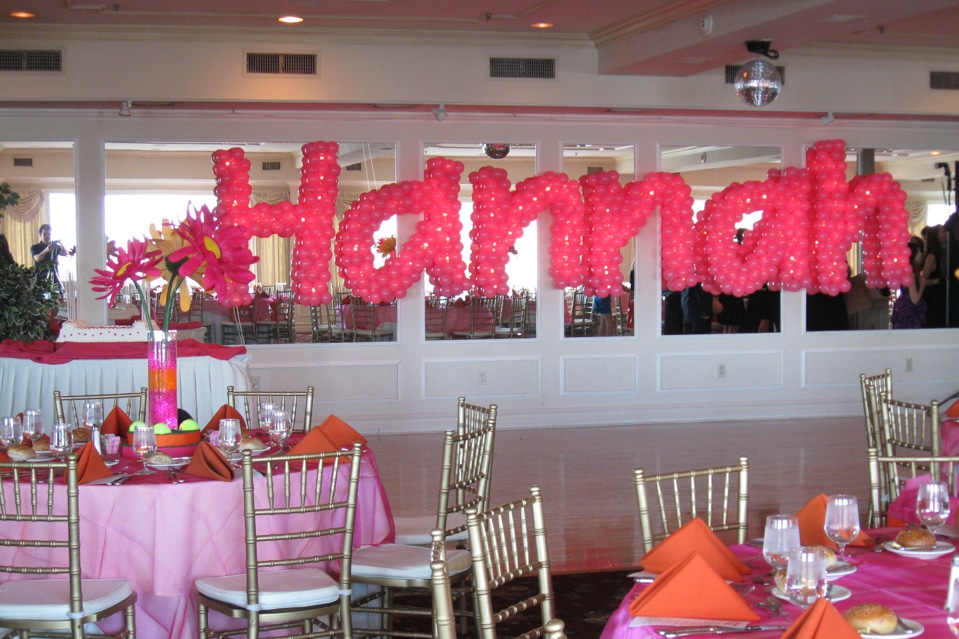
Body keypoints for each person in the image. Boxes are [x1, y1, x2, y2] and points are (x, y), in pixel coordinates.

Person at [890, 236, 927, 329]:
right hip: (909, 309)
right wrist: (922, 284)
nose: (921, 254)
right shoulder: (911, 275)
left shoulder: (906, 272)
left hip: (902, 305)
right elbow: (915, 299)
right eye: (919, 252)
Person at [30, 223, 75, 291]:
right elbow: (37, 259)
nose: (47, 236)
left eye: (49, 234)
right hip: (40, 281)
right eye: (45, 234)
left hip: (54, 279)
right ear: (40, 235)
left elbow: (65, 254)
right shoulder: (35, 247)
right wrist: (47, 250)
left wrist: (60, 243)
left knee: (58, 298)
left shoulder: (55, 247)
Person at [919, 225, 945, 328]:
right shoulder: (932, 256)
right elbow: (923, 281)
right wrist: (939, 280)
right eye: (943, 232)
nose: (946, 234)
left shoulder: (941, 254)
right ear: (936, 236)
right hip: (933, 299)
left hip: (938, 296)